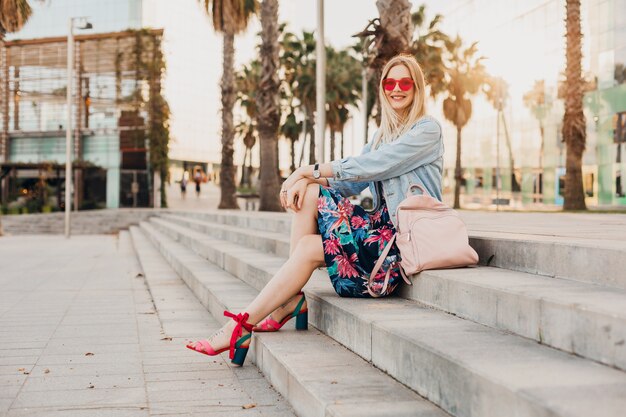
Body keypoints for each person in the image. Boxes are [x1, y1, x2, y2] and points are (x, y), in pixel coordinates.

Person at [186, 53, 444, 366]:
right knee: (310, 193)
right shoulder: (381, 137)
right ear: (383, 88)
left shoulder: (427, 130)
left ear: (417, 88)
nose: (397, 88)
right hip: (379, 237)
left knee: (309, 232)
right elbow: (349, 185)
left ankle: (243, 323)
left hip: (399, 246)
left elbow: (370, 166)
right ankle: (280, 304)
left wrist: (305, 170)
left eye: (405, 82)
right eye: (390, 82)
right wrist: (304, 180)